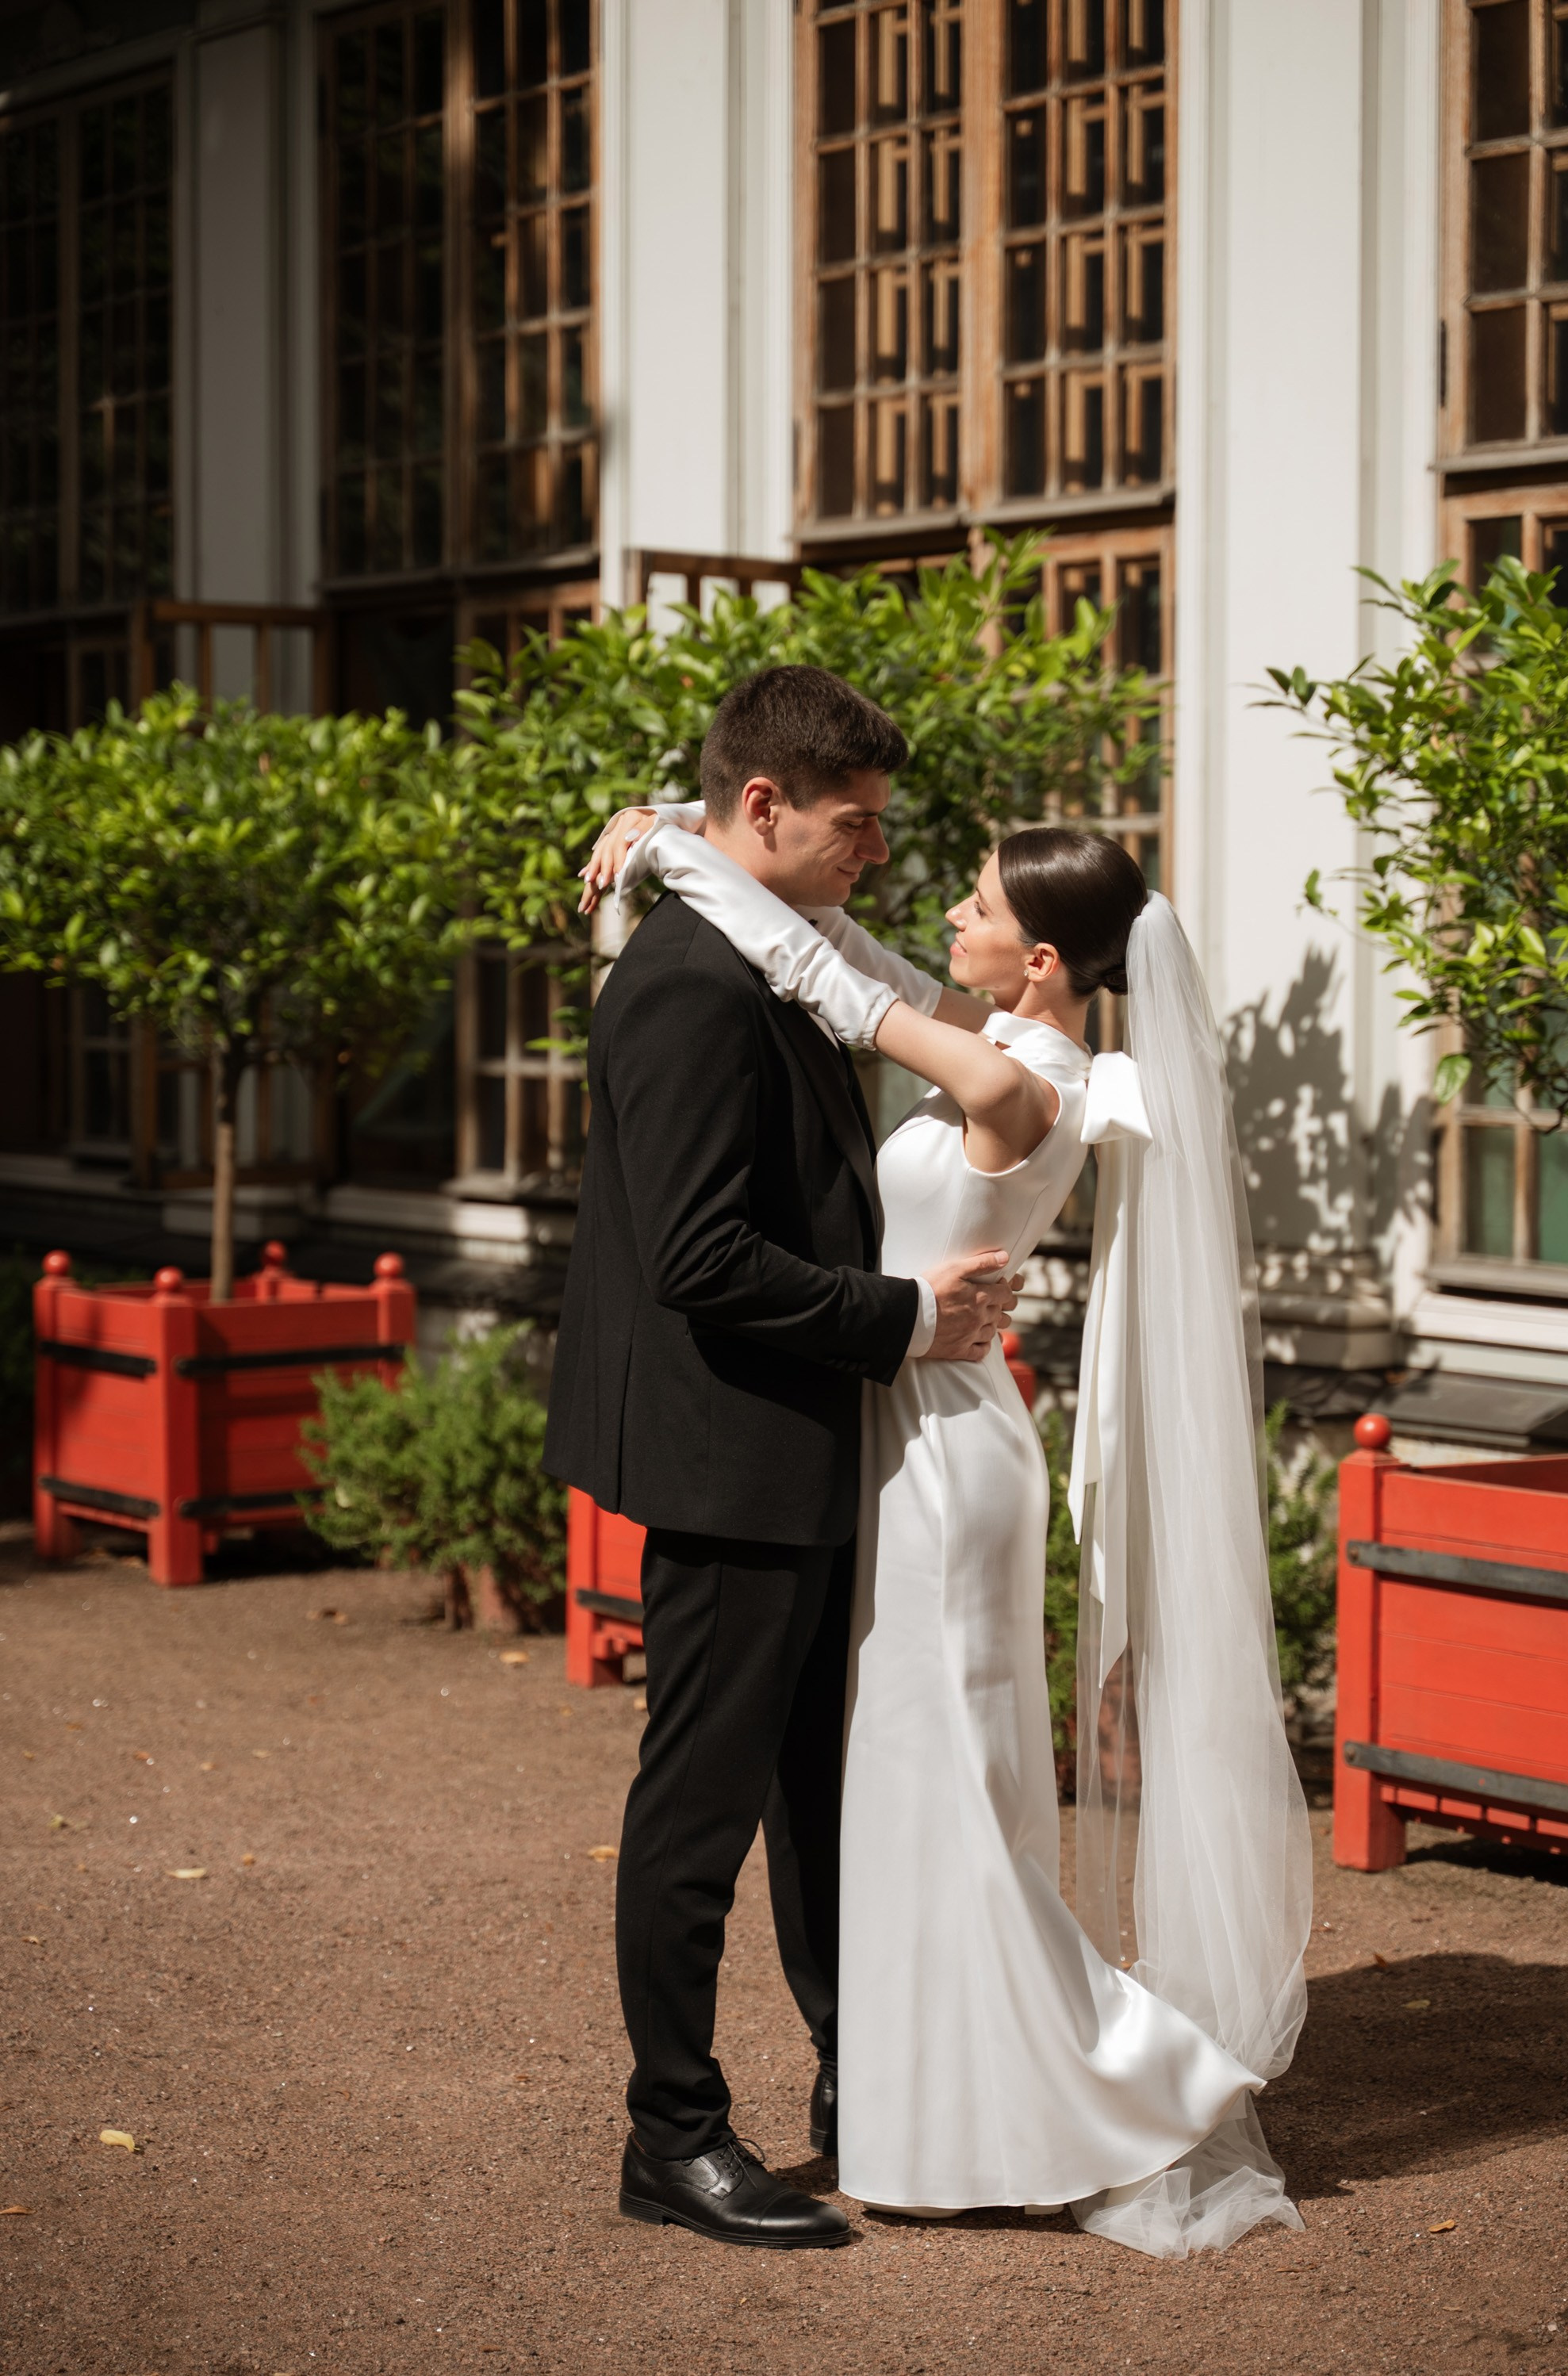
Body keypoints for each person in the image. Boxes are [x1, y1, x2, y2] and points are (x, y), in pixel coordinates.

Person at [581, 780, 1313, 2260]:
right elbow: (846, 958)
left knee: (944, 1792)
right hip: (910, 1429)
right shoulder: (1021, 1045)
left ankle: (1092, 2073)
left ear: (1043, 961)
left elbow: (824, 976)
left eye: (979, 905)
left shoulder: (1012, 1083)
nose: (946, 912)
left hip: (937, 1446)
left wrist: (673, 851)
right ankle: (921, 2090)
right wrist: (690, 826)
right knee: (902, 1789)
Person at [544, 665, 1022, 2251]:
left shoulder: (786, 949)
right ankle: (670, 2133)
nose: (876, 853)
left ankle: (856, 2079)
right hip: (726, 1447)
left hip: (803, 1437)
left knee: (819, 1790)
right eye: (855, 826)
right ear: (761, 807)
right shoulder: (686, 981)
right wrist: (902, 1315)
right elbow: (696, 1257)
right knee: (702, 1796)